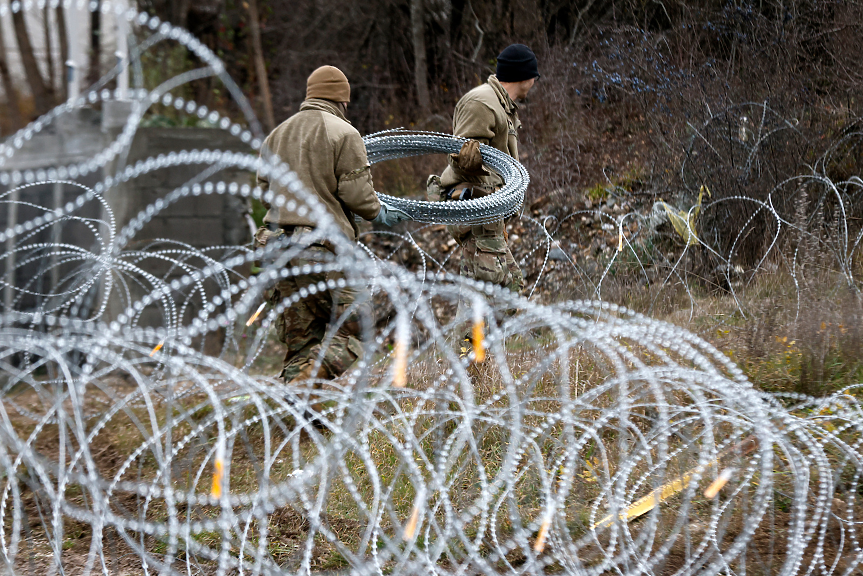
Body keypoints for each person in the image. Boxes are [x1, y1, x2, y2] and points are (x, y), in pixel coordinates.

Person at [254, 65, 409, 394]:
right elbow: (357, 195)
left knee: (302, 338)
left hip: (276, 249)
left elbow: (265, 189)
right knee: (358, 321)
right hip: (318, 250)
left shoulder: (276, 135)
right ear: (342, 99)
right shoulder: (343, 133)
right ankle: (305, 385)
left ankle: (296, 414)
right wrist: (380, 212)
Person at [429, 44, 539, 311]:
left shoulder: (502, 105)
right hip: (475, 208)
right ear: (524, 76)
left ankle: (481, 349)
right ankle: (467, 350)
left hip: (490, 210)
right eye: (534, 76)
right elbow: (462, 158)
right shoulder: (482, 103)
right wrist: (485, 185)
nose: (535, 82)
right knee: (486, 290)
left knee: (509, 285)